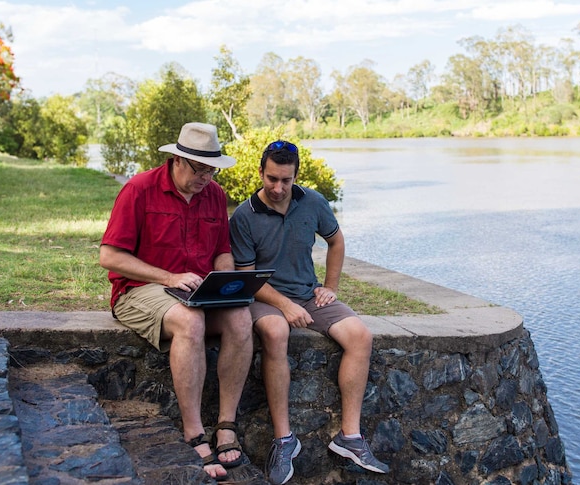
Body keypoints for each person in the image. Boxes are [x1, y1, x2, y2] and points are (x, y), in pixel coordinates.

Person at [229, 140, 389, 484]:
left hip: (307, 294)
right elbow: (246, 276)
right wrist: (284, 305)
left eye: (286, 180)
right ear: (260, 172)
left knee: (360, 336)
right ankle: (284, 440)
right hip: (264, 298)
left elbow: (336, 240)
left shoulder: (313, 201)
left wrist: (330, 287)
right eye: (272, 178)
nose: (278, 187)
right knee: (275, 332)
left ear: (296, 176)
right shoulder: (243, 216)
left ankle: (350, 436)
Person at [99, 122, 252, 482]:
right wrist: (168, 277)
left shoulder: (215, 194)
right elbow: (109, 256)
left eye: (211, 169)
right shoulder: (139, 189)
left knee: (242, 318)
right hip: (140, 290)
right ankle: (194, 432)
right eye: (199, 169)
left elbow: (222, 251)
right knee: (189, 321)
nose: (206, 177)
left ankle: (226, 425)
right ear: (177, 160)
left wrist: (226, 281)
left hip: (196, 291)